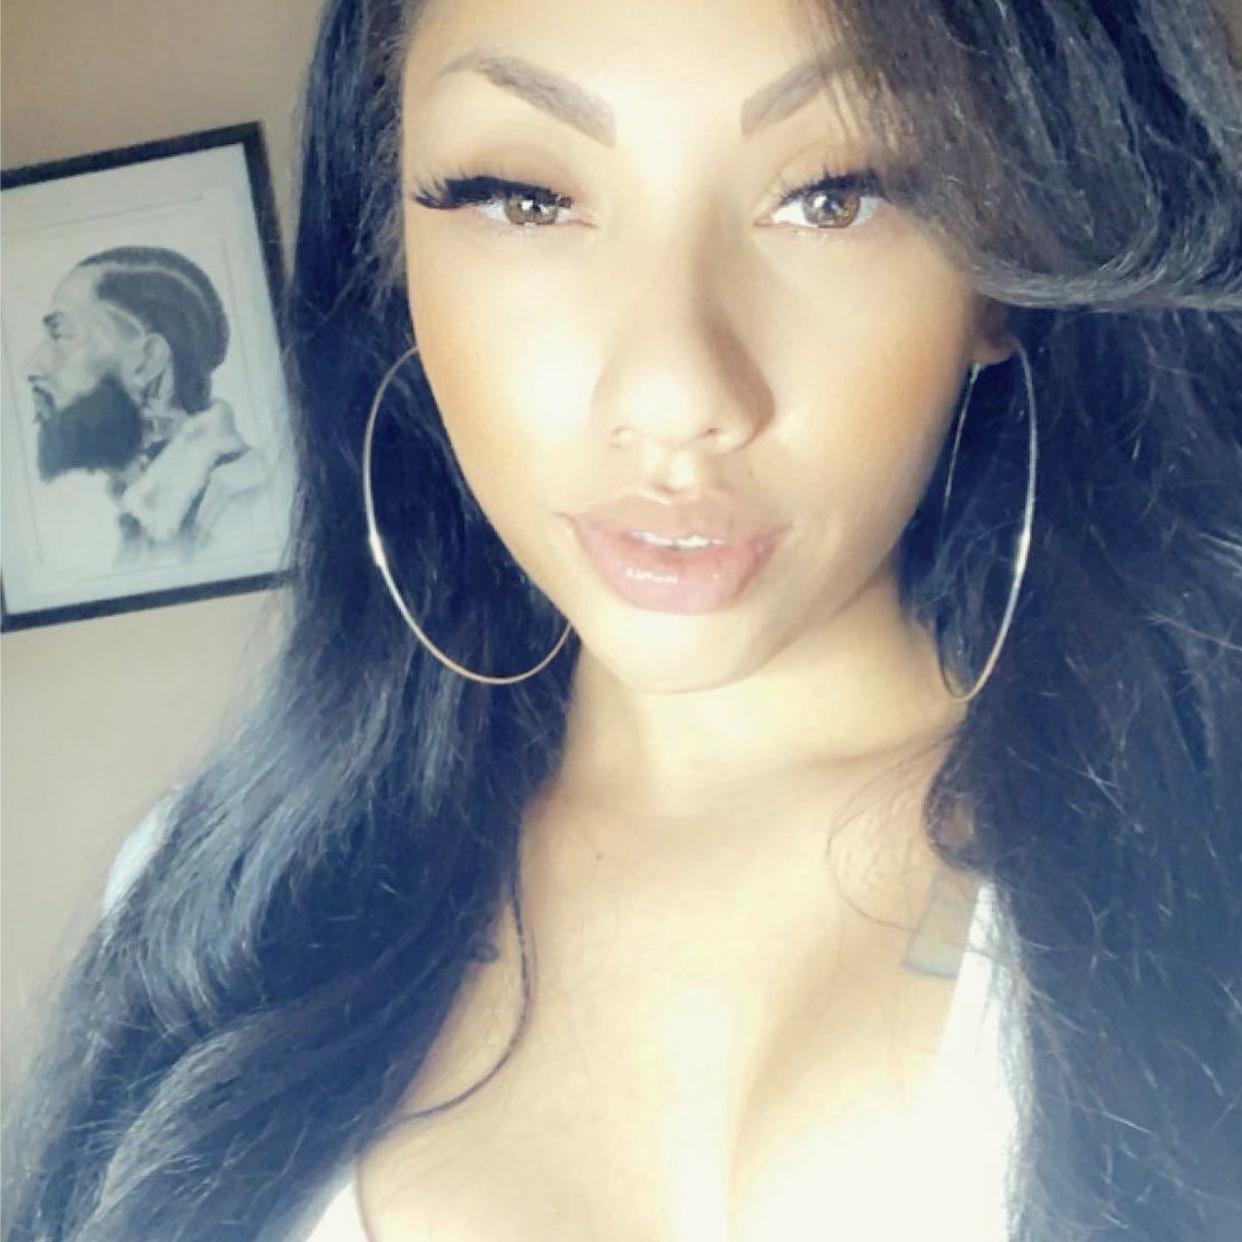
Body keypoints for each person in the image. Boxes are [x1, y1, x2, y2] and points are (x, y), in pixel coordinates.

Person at [3, 0, 1240, 1239]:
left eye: (834, 195)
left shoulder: (1203, 867)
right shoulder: (216, 916)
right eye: (526, 198)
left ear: (1004, 273)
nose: (673, 393)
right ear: (394, 255)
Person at [25, 245, 270, 567]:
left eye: (60, 335)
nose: (32, 367)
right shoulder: (143, 513)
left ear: (147, 361)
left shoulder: (246, 507)